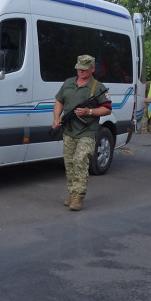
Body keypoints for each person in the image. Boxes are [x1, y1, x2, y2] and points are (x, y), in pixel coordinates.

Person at [52, 54, 111, 211]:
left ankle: (79, 196)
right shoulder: (68, 83)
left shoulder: (98, 87)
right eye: (79, 68)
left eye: (85, 69)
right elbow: (59, 101)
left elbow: (107, 109)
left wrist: (89, 111)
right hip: (69, 130)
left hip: (87, 131)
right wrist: (56, 118)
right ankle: (72, 193)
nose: (81, 71)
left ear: (92, 69)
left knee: (80, 161)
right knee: (69, 164)